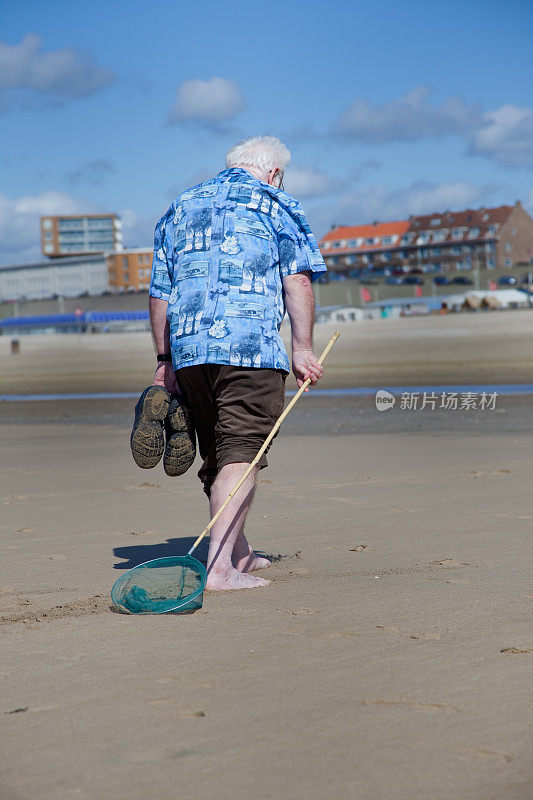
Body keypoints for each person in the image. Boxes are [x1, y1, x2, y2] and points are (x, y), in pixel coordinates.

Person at [148, 135, 327, 591]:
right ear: (275, 172)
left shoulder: (180, 205)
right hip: (249, 347)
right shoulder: (277, 203)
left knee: (218, 448)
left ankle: (239, 550)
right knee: (243, 451)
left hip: (189, 349)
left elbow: (160, 292)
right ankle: (220, 568)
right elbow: (297, 280)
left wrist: (164, 360)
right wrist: (303, 347)